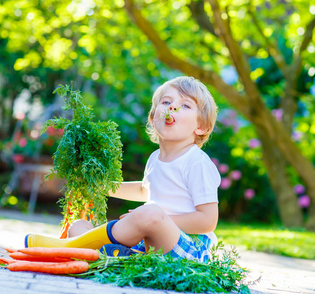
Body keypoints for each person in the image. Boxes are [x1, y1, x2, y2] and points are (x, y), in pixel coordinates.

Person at [26, 76, 220, 263]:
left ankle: (67, 248)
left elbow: (208, 220)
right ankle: (110, 256)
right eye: (166, 101)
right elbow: (145, 190)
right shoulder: (155, 158)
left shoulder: (196, 162)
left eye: (185, 105)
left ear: (201, 127)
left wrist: (157, 219)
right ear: (153, 118)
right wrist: (104, 187)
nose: (173, 107)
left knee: (150, 212)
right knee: (79, 226)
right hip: (149, 244)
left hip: (189, 248)